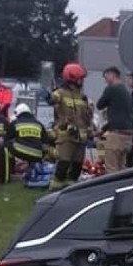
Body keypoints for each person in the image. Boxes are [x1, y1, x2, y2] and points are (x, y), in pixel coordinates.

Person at [48, 62, 91, 190]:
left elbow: (86, 117)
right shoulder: (60, 93)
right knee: (64, 162)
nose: (81, 81)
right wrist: (47, 95)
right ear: (72, 78)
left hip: (81, 137)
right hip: (66, 135)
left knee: (77, 165)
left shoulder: (82, 97)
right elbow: (52, 99)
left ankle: (71, 187)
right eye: (80, 78)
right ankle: (55, 187)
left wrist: (90, 131)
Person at [96, 66, 133, 173]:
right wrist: (103, 130)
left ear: (112, 75)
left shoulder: (112, 88)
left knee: (111, 167)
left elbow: (100, 105)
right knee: (121, 168)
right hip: (127, 135)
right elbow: (120, 115)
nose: (105, 80)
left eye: (106, 77)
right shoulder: (126, 91)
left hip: (116, 135)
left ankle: (112, 189)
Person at [7, 101, 49, 166]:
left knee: (7, 144)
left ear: (18, 113)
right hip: (37, 155)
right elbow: (46, 140)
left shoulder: (15, 123)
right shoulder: (39, 124)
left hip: (21, 153)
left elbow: (7, 138)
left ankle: (12, 165)